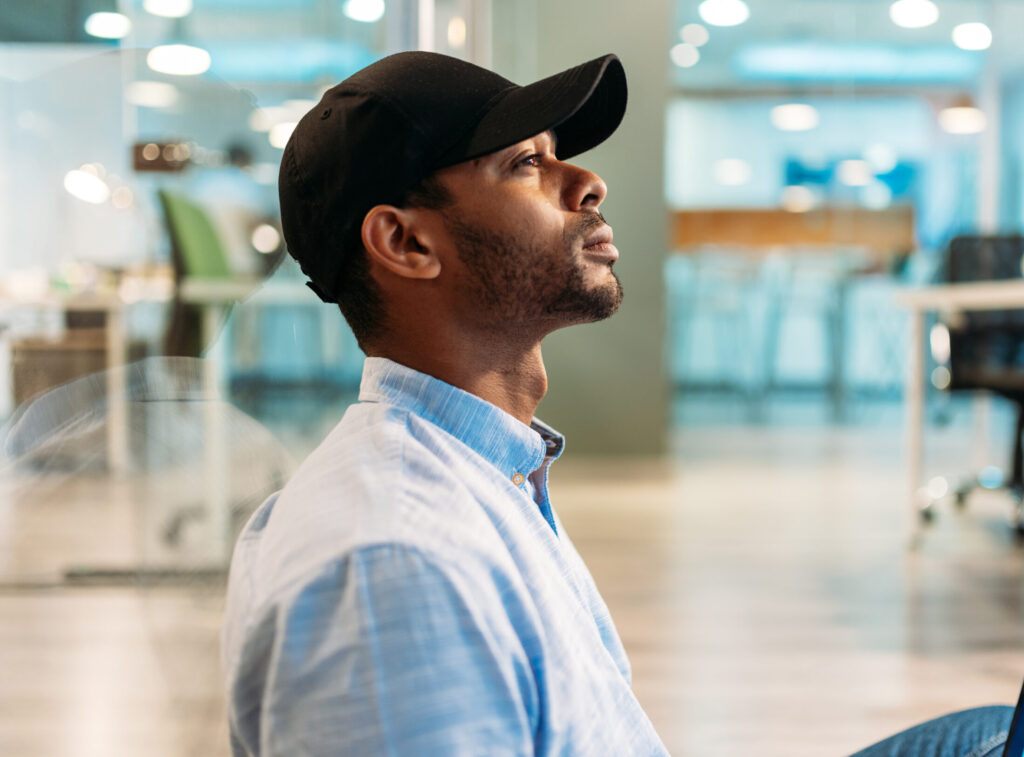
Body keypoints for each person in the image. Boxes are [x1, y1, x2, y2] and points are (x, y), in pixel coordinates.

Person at [220, 51, 1014, 756]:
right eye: (525, 163)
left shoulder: (480, 469)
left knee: (989, 727)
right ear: (406, 243)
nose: (588, 182)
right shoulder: (391, 568)